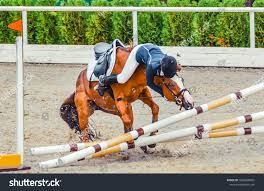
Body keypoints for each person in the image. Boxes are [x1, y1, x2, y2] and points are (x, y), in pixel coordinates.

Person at [99, 43, 181, 97]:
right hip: (138, 52)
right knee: (122, 78)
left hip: (152, 47)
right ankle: (104, 80)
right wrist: (162, 93)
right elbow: (150, 83)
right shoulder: (152, 66)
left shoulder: (170, 61)